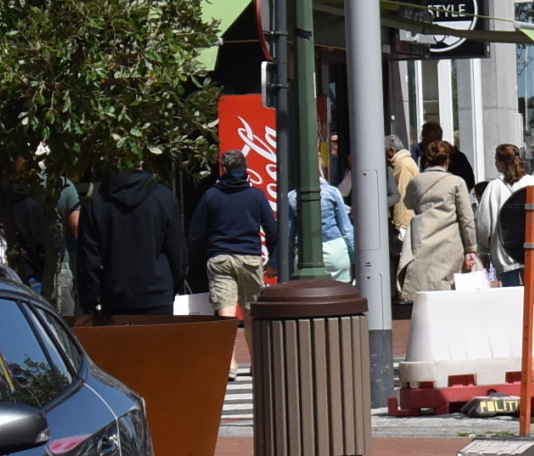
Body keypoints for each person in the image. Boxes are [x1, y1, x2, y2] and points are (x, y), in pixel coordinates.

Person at [190, 150, 276, 366]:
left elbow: (195, 233)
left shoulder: (211, 195)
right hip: (249, 257)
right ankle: (257, 361)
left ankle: (230, 364)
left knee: (225, 310)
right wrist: (273, 261)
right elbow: (272, 230)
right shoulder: (256, 195)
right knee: (251, 311)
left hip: (220, 257)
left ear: (224, 168)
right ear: (245, 168)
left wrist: (186, 261)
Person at [74, 166, 189, 316]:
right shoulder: (164, 197)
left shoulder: (96, 203)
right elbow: (178, 255)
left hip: (115, 298)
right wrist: (169, 291)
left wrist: (89, 305)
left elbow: (88, 261)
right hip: (157, 296)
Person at [399, 139, 480, 297]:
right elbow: (466, 218)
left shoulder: (416, 181)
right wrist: (470, 248)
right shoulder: (456, 182)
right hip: (450, 242)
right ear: (447, 160)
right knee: (450, 290)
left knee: (425, 288)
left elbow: (408, 203)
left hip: (422, 239)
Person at [476, 145, 534, 289]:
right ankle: (533, 312)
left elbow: (484, 225)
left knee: (511, 292)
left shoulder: (494, 187)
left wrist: (483, 250)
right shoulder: (533, 183)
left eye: (496, 160)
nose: (494, 163)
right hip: (533, 248)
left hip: (504, 251)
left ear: (502, 162)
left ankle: (517, 313)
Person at [286, 180, 356, 284]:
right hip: (336, 251)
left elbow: (288, 234)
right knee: (342, 293)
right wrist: (355, 257)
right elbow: (346, 228)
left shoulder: (291, 196)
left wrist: (275, 263)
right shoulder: (332, 192)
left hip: (304, 253)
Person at [387, 134, 420, 232]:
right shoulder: (405, 163)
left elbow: (402, 195)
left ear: (391, 151)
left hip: (405, 222)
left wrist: (399, 223)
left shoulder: (403, 166)